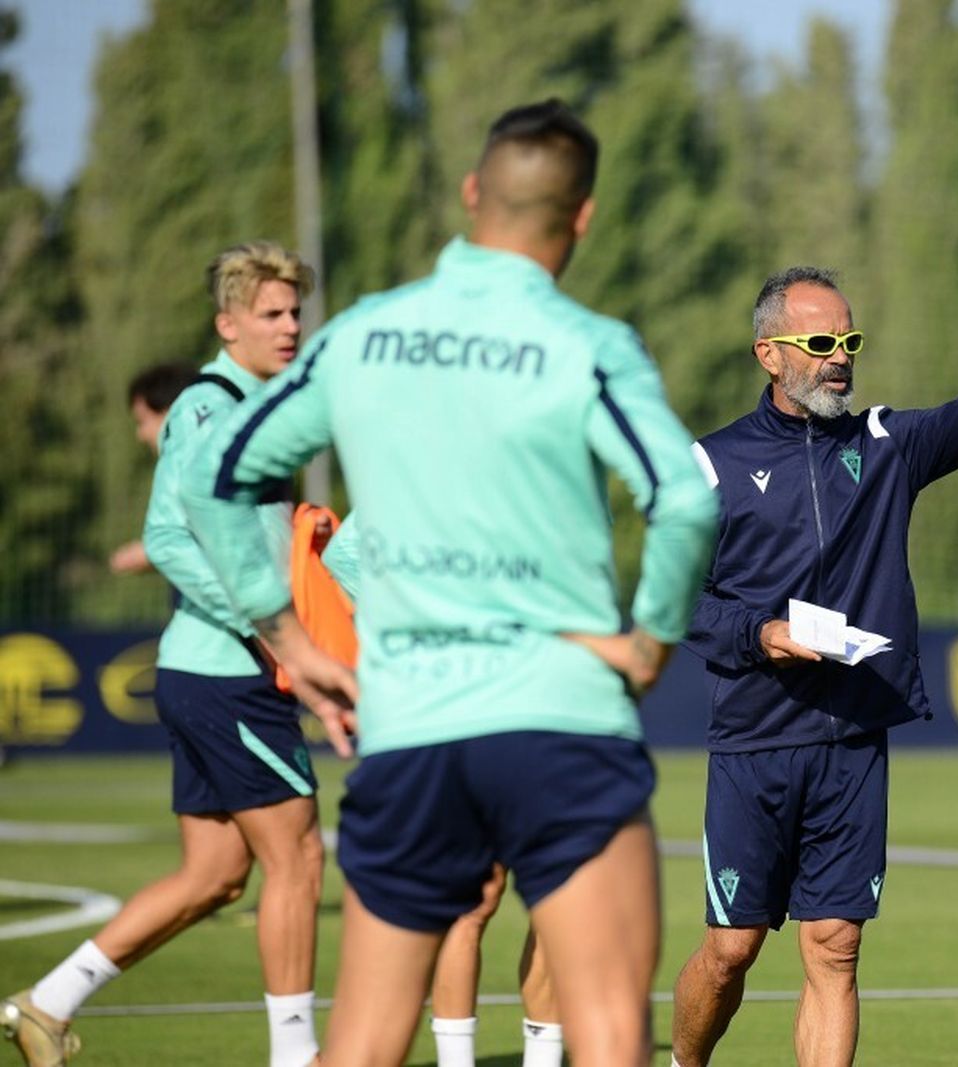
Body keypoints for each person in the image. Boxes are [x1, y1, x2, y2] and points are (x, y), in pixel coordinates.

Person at [179, 100, 719, 1067]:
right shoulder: (589, 342)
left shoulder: (364, 335)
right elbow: (681, 499)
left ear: (474, 193)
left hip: (411, 726)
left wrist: (290, 645)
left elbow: (219, 482)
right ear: (583, 218)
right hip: (562, 722)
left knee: (366, 1043)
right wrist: (648, 643)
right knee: (607, 1035)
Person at [671, 266, 958, 1067]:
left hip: (853, 739)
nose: (840, 357)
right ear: (769, 353)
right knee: (731, 950)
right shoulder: (712, 463)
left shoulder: (887, 445)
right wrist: (761, 631)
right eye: (821, 342)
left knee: (834, 947)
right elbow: (677, 603)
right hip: (754, 744)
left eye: (849, 340)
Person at [3, 241, 323, 1067]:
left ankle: (48, 1001)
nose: (290, 326)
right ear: (229, 324)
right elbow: (167, 538)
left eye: (296, 311)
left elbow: (259, 538)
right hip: (227, 671)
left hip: (211, 670)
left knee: (215, 874)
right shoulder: (210, 408)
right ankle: (298, 1059)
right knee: (297, 857)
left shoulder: (262, 406)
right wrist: (263, 623)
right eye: (272, 313)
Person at [320, 514, 566, 1067]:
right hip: (458, 707)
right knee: (475, 899)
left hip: (543, 696)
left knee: (555, 892)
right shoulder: (423, 462)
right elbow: (344, 555)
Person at [111, 362, 202, 575]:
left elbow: (216, 539)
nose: (141, 435)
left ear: (170, 412)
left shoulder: (197, 470)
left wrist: (151, 553)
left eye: (143, 421)